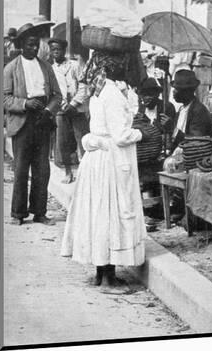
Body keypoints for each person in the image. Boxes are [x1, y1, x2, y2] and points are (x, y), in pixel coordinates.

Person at [60, 57, 150, 287]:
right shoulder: (111, 95)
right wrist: (142, 133)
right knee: (110, 214)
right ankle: (108, 278)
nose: (126, 67)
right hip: (110, 160)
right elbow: (120, 135)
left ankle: (102, 272)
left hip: (98, 159)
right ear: (113, 67)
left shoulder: (100, 91)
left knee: (100, 213)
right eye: (123, 64)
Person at [4, 22, 62, 225]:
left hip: (42, 120)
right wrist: (24, 103)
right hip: (22, 122)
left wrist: (48, 110)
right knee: (21, 169)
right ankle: (18, 214)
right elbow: (4, 99)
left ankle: (39, 212)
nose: (34, 48)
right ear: (21, 45)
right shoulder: (11, 68)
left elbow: (57, 95)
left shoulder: (45, 66)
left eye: (36, 45)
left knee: (42, 169)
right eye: (30, 45)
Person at [49, 38, 90, 184]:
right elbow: (51, 91)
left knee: (83, 140)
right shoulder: (51, 69)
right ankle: (68, 172)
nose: (55, 52)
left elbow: (83, 86)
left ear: (64, 50)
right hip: (61, 110)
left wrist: (73, 104)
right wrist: (60, 105)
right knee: (63, 142)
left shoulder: (74, 65)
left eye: (58, 49)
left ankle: (87, 173)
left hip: (77, 108)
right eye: (53, 49)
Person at [169, 69, 212, 150]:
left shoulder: (199, 111)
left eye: (177, 89)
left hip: (193, 156)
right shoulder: (181, 109)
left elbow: (195, 141)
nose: (173, 92)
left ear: (185, 92)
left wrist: (173, 129)